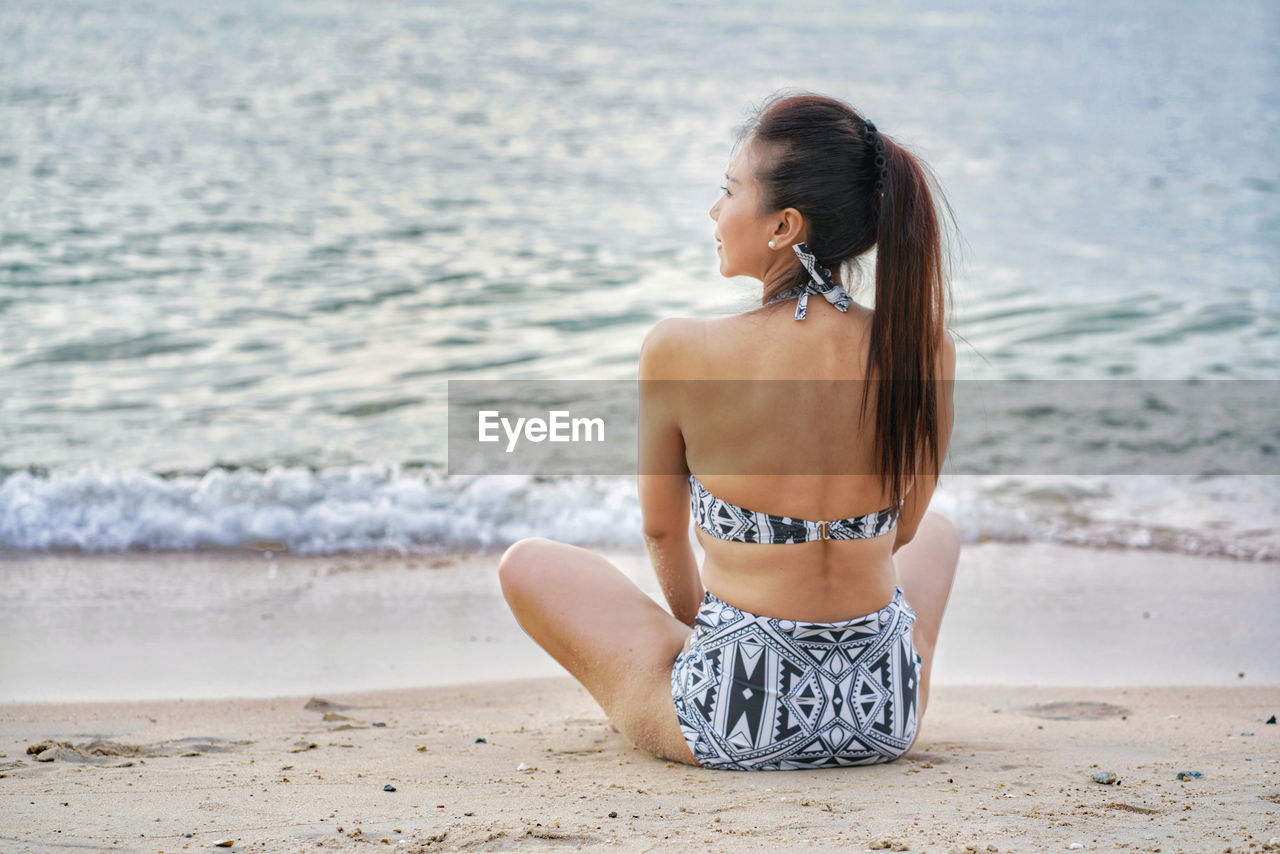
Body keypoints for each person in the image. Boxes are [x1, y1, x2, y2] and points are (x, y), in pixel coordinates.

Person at [499, 91, 960, 770]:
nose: (715, 212)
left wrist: (712, 637)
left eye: (729, 191)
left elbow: (661, 531)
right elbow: (910, 530)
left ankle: (729, 662)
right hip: (882, 716)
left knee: (526, 564)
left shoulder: (682, 351)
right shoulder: (922, 347)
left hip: (737, 721)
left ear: (783, 227)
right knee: (943, 535)